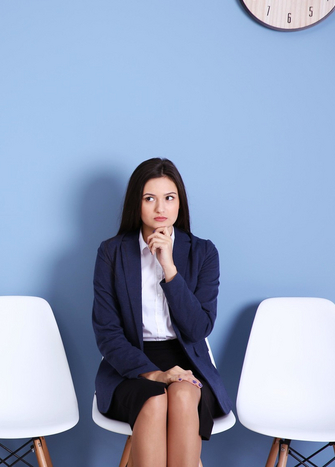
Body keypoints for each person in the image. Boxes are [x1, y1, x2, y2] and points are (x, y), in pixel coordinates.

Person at [92, 158, 233, 467]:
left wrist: (169, 267)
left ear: (180, 202)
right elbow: (107, 334)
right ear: (136, 203)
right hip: (130, 364)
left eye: (169, 197)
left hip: (188, 361)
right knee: (154, 398)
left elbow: (198, 329)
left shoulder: (203, 252)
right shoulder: (111, 253)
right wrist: (155, 374)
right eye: (149, 198)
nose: (160, 208)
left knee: (183, 395)